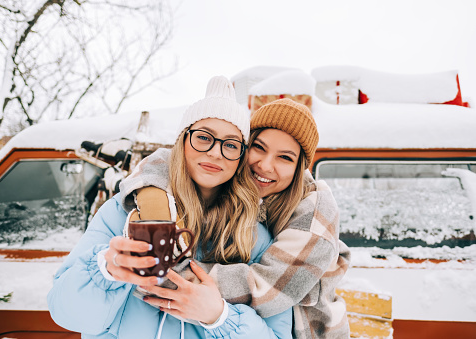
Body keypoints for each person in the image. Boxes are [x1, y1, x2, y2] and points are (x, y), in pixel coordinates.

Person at [47, 76, 293, 339]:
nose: (215, 152)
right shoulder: (122, 214)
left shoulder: (254, 237)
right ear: (181, 141)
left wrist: (219, 317)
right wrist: (105, 271)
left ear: (241, 157)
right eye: (203, 137)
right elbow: (67, 315)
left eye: (231, 144)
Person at [120, 98, 351, 338]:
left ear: (300, 168)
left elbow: (267, 289)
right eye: (259, 147)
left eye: (285, 158)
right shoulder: (244, 189)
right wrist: (153, 199)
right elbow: (172, 160)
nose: (265, 165)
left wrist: (169, 275)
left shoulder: (314, 216)